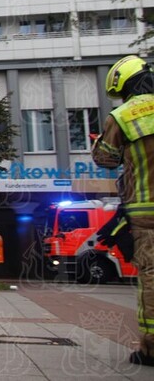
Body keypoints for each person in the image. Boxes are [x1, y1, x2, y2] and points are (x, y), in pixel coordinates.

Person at [92, 55, 154, 367]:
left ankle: (151, 349)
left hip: (147, 211)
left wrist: (98, 140)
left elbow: (105, 159)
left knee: (152, 276)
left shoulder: (124, 115)